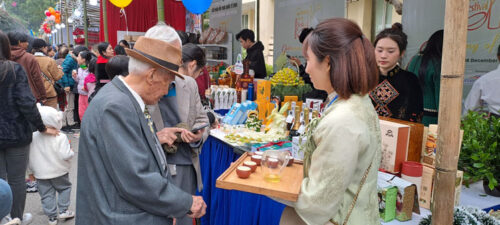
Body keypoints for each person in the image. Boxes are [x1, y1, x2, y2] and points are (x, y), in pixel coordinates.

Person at [76, 24, 207, 225]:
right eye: (168, 80)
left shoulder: (123, 99)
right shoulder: (116, 107)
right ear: (152, 75)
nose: (167, 91)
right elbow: (136, 179)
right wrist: (185, 202)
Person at [276, 18, 381, 225]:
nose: (305, 69)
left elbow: (317, 201)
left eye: (309, 60)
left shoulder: (343, 119)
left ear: (328, 62)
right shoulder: (358, 102)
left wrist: (266, 181)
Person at [0, 30, 59, 225]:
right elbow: (26, 103)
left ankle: (2, 218)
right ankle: (16, 217)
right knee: (16, 179)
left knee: (0, 180)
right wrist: (41, 127)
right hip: (16, 132)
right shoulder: (13, 69)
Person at [151, 41, 209, 225]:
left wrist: (198, 136)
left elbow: (202, 120)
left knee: (183, 215)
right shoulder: (145, 87)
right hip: (154, 163)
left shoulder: (189, 84)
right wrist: (157, 138)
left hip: (184, 161)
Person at [28, 104, 75, 225]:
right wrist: (71, 152)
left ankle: (52, 217)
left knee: (46, 195)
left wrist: (31, 172)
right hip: (59, 171)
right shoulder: (61, 137)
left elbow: (29, 156)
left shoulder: (33, 137)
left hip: (41, 173)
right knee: (64, 188)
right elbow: (65, 155)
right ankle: (64, 210)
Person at [370, 27, 423, 122]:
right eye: (379, 50)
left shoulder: (410, 80)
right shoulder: (365, 77)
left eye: (390, 51)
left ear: (402, 53)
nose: (383, 56)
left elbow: (415, 114)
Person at [407, 30, 444, 126]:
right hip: (432, 120)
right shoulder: (438, 63)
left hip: (412, 116)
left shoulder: (415, 59)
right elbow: (440, 97)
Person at [7, 32, 47, 104]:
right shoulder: (30, 58)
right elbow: (37, 78)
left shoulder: (4, 57)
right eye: (26, 41)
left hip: (8, 98)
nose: (28, 44)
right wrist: (43, 95)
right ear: (19, 42)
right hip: (29, 96)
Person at [289, 27, 328, 101]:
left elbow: (309, 78)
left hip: (317, 95)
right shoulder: (315, 53)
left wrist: (300, 66)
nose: (305, 48)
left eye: (305, 44)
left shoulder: (318, 55)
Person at [463, 44, 500, 117]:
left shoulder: (485, 80)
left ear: (498, 57)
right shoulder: (485, 81)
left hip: (495, 125)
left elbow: (469, 111)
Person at [60, 46, 87, 131]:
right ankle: (64, 124)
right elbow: (62, 71)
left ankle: (70, 123)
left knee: (70, 105)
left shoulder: (73, 59)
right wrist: (66, 85)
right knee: (67, 105)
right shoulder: (71, 60)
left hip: (71, 85)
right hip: (68, 86)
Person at [32, 39, 63, 109]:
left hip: (34, 94)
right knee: (51, 117)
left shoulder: (29, 59)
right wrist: (60, 70)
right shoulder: (49, 60)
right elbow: (57, 76)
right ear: (43, 48)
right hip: (49, 93)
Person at [72, 50, 93, 120]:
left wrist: (87, 87)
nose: (77, 58)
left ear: (83, 59)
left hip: (88, 95)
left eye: (78, 57)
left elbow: (93, 81)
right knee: (81, 113)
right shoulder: (80, 69)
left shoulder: (90, 69)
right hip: (81, 94)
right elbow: (79, 81)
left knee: (89, 113)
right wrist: (75, 77)